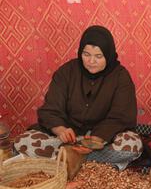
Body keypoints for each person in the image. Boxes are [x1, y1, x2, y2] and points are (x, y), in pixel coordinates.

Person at [14, 25, 142, 175]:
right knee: (23, 141)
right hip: (68, 138)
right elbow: (50, 109)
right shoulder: (66, 72)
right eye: (86, 54)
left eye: (98, 56)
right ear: (80, 51)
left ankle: (71, 157)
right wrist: (60, 130)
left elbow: (121, 116)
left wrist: (95, 141)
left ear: (109, 54)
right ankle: (86, 158)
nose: (91, 61)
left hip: (104, 140)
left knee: (132, 145)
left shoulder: (120, 77)